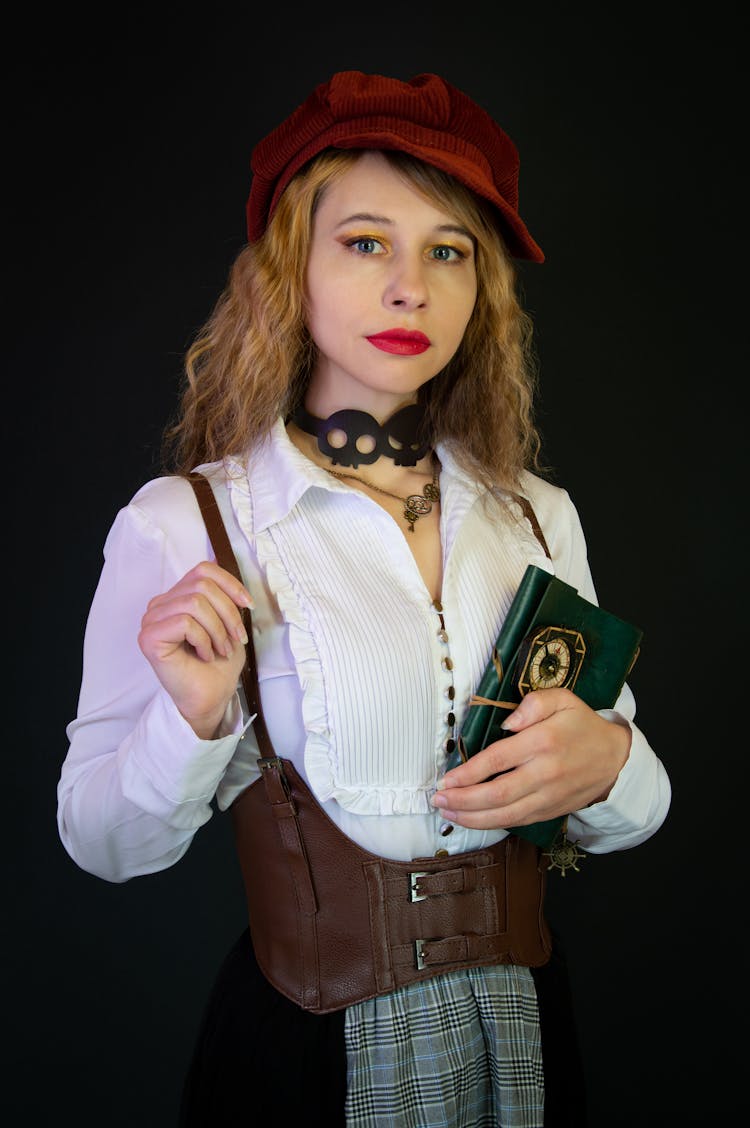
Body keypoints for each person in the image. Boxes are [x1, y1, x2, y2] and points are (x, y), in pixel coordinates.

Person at [57, 70, 671, 1128]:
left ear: (483, 291)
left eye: (448, 251)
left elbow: (636, 804)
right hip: (306, 1062)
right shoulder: (188, 525)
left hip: (522, 1035)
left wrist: (612, 764)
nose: (410, 288)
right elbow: (101, 845)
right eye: (364, 242)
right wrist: (193, 719)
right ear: (288, 265)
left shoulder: (537, 517)